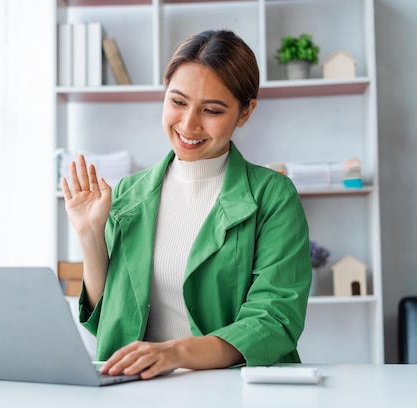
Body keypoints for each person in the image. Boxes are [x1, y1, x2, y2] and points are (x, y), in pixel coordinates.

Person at [60, 29, 311, 380]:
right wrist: (90, 236)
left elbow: (274, 321)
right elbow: (107, 324)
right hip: (139, 395)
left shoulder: (272, 196)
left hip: (235, 396)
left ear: (245, 112)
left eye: (211, 110)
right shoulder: (128, 194)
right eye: (177, 102)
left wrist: (173, 352)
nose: (189, 124)